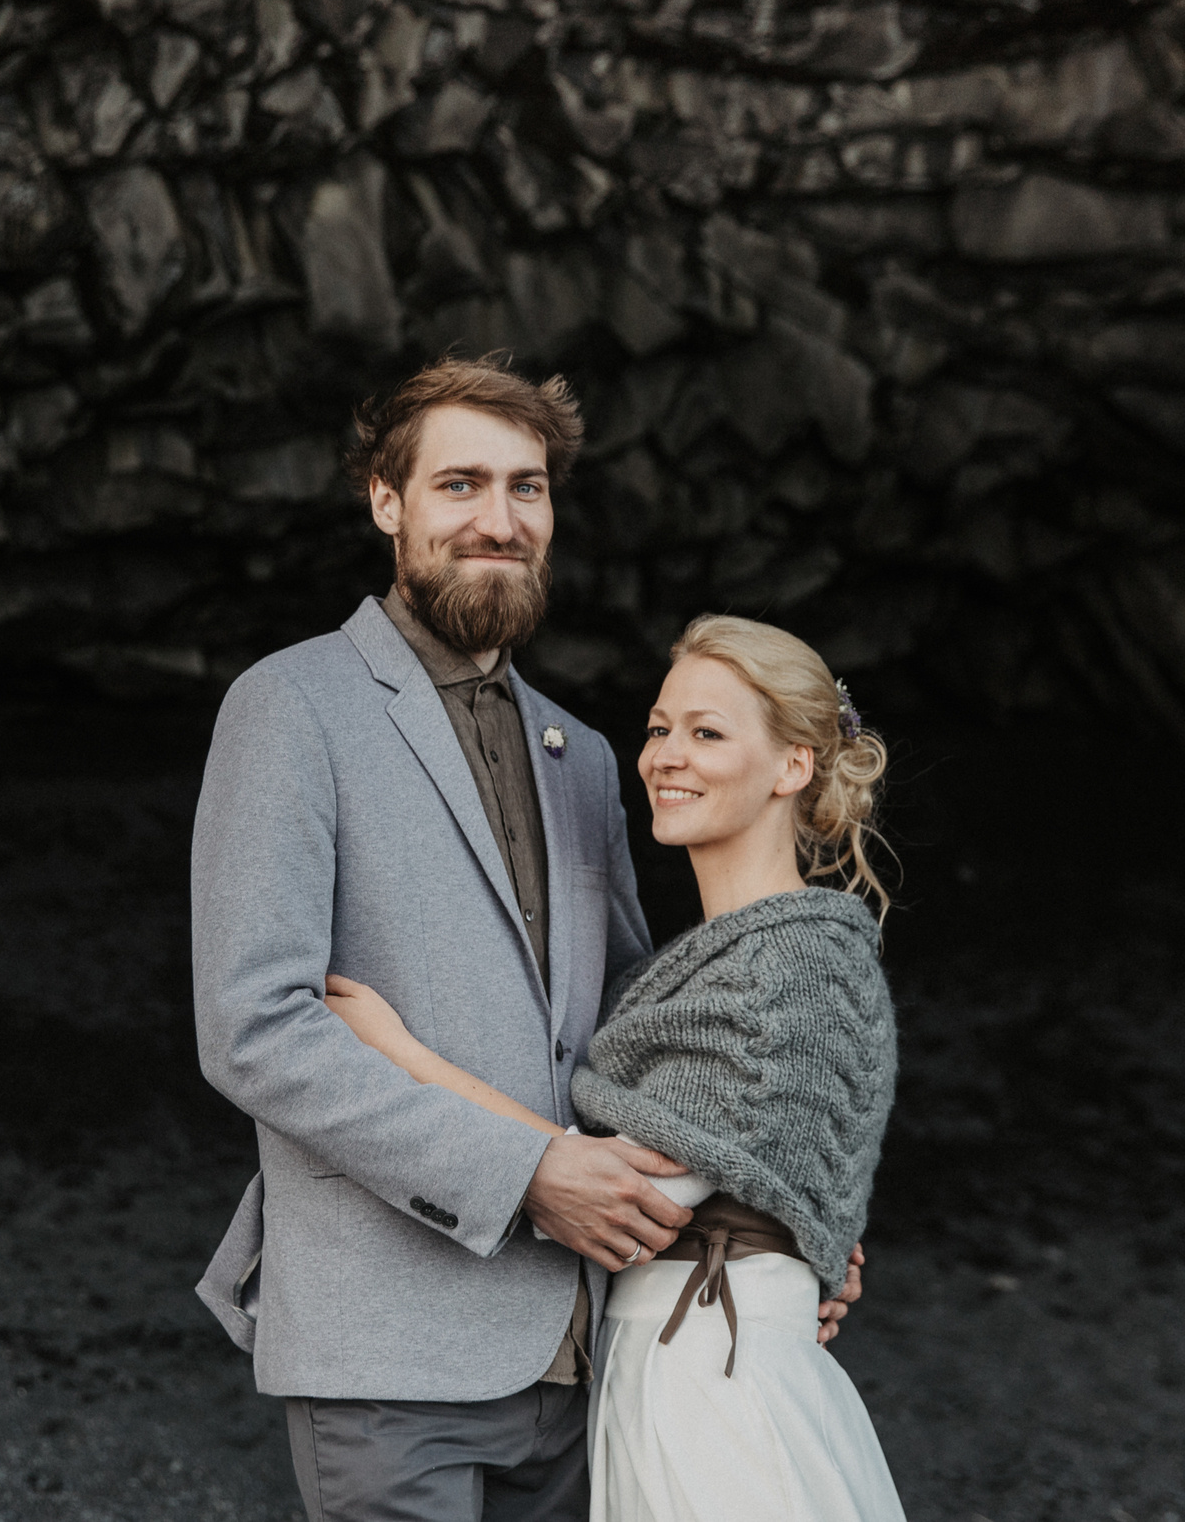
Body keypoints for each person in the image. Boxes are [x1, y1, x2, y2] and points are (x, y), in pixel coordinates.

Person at [191, 360, 861, 1522]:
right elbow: (256, 1031)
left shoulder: (586, 757)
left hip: (588, 1353)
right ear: (386, 502)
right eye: (459, 484)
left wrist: (780, 1220)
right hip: (392, 1354)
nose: (498, 520)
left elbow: (637, 1052)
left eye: (526, 488)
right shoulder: (290, 706)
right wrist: (527, 1174)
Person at [324, 615, 906, 1522]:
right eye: (659, 727)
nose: (666, 755)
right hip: (663, 1370)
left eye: (707, 733)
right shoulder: (698, 967)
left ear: (793, 765)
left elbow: (630, 1198)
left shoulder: (791, 964)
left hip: (715, 1389)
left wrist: (401, 1055)